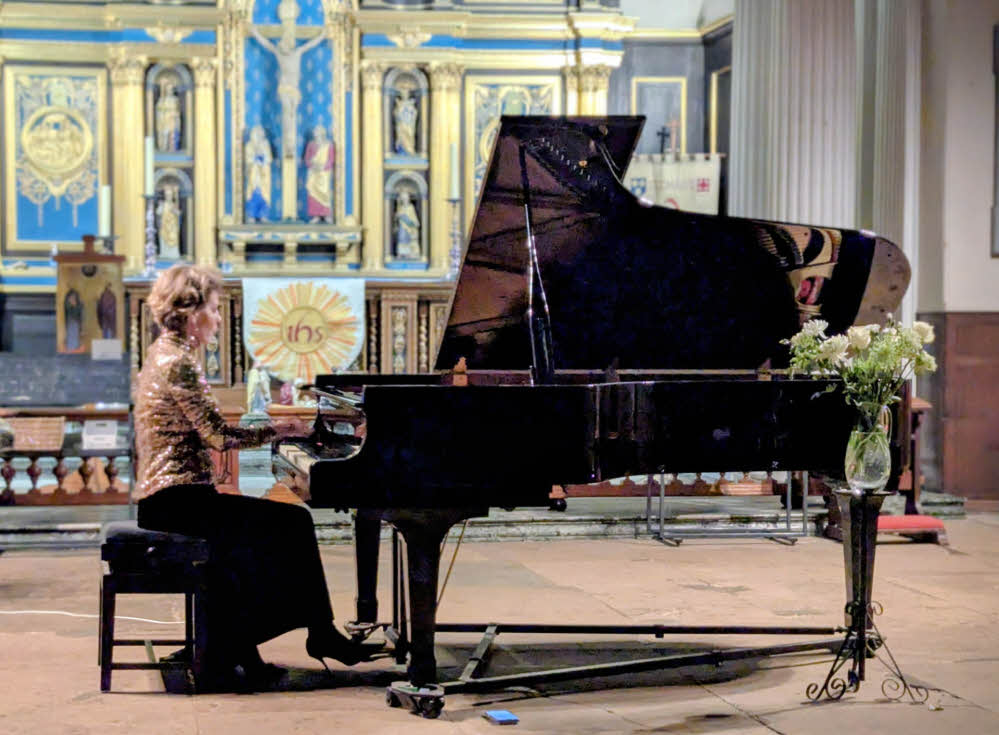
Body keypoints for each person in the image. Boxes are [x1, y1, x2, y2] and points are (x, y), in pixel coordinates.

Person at [134, 264, 375, 691]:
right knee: (291, 523)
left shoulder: (164, 352)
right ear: (192, 314)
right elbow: (217, 435)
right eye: (213, 309)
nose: (218, 318)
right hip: (176, 502)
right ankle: (308, 634)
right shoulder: (181, 363)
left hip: (173, 497)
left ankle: (244, 649)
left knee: (259, 541)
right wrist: (280, 429)